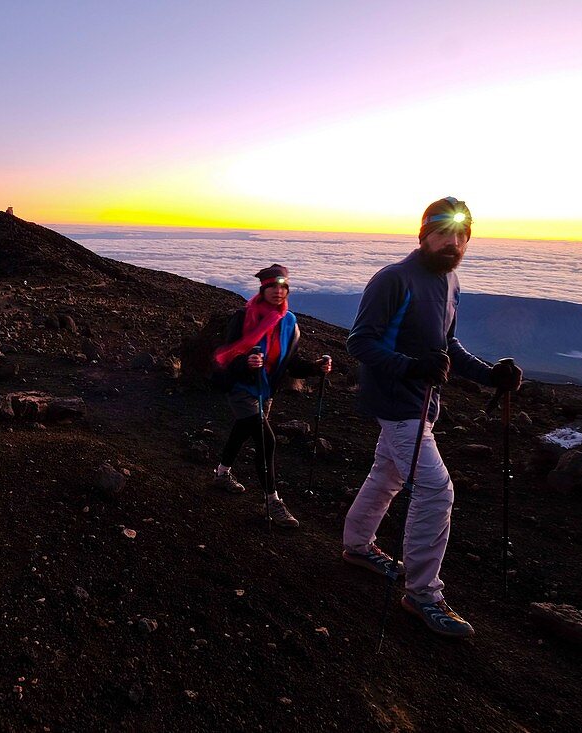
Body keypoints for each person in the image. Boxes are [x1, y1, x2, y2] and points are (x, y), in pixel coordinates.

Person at [341, 197, 522, 637]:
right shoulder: (393, 279)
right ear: (424, 234)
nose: (453, 242)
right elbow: (359, 342)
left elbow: (447, 347)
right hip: (399, 403)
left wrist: (490, 375)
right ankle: (423, 594)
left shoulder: (450, 281)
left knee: (388, 474)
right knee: (436, 491)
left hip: (420, 402)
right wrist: (410, 366)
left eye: (462, 235)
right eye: (444, 232)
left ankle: (357, 546)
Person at [211, 264, 332, 528]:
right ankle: (272, 500)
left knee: (242, 430)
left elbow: (291, 362)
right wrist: (246, 363)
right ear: (263, 289)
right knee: (267, 440)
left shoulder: (289, 323)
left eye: (283, 287)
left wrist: (315, 367)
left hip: (266, 391)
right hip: (241, 388)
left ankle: (221, 474)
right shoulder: (244, 317)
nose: (278, 291)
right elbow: (226, 355)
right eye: (273, 287)